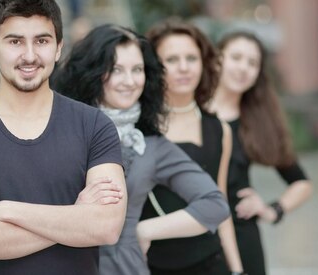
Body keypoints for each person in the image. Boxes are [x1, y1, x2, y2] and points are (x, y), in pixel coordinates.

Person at [0, 1, 128, 274]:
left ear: (59, 47)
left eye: (42, 41)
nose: (30, 55)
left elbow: (106, 227)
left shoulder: (94, 126)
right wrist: (75, 217)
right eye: (15, 42)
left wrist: (7, 210)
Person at [52, 24, 230, 275]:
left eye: (137, 70)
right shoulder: (59, 130)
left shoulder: (150, 145)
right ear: (92, 72)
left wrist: (143, 230)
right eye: (116, 70)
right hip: (62, 262)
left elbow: (215, 204)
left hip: (124, 265)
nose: (130, 81)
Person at [138, 18, 244, 275]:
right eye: (172, 60)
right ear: (153, 67)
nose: (184, 68)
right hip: (151, 263)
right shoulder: (137, 128)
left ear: (204, 63)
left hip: (210, 260)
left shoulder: (219, 129)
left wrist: (238, 269)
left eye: (192, 58)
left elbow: (221, 203)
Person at [209, 31, 313, 275]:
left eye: (252, 63)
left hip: (242, 235)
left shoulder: (257, 120)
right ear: (217, 59)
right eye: (236, 57)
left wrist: (272, 209)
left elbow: (301, 182)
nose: (243, 68)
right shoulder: (191, 111)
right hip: (190, 235)